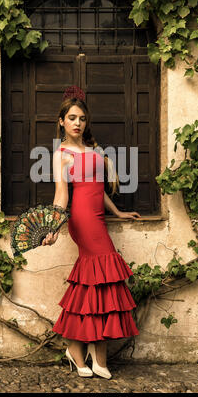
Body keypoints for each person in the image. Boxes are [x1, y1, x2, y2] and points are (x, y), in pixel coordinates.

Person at [42, 86, 141, 379]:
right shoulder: (61, 154)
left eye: (82, 118)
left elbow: (99, 189)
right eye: (71, 118)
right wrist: (53, 226)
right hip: (82, 221)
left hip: (99, 217)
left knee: (98, 284)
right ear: (61, 121)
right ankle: (86, 352)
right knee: (100, 277)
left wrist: (118, 212)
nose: (77, 123)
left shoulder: (93, 150)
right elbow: (61, 196)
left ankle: (87, 353)